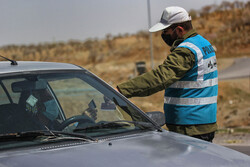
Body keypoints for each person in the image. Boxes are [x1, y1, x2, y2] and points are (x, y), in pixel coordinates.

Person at [116, 6, 218, 142]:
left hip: (190, 127)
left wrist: (120, 91)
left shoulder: (186, 51)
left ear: (179, 30)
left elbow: (159, 77)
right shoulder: (203, 44)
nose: (163, 34)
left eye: (166, 31)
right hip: (203, 122)